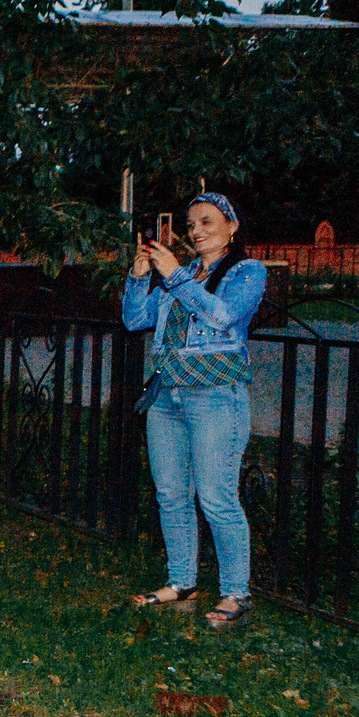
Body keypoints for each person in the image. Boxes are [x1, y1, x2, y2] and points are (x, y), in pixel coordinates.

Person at [124, 192, 266, 630]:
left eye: (207, 221)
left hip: (215, 398)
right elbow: (134, 320)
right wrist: (139, 275)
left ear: (232, 226)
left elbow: (225, 317)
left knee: (217, 497)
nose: (197, 231)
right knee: (171, 493)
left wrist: (177, 280)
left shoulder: (246, 271)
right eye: (191, 225)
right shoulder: (179, 274)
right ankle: (182, 581)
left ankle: (236, 592)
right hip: (167, 397)